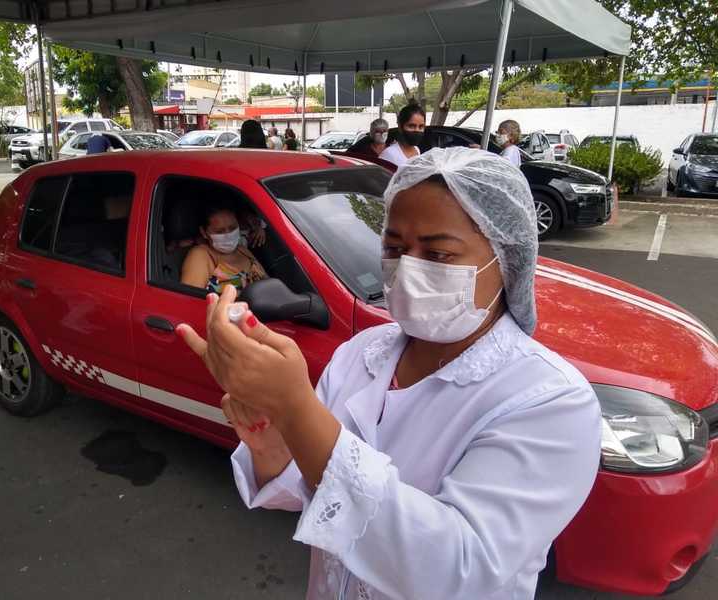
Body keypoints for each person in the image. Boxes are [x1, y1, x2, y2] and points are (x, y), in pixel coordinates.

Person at [177, 147, 601, 600]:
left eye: (438, 254)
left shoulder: (550, 401)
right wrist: (273, 444)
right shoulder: (362, 353)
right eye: (394, 248)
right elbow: (310, 493)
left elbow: (457, 568)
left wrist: (294, 407)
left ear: (507, 259)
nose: (409, 268)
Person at [180, 203, 267, 292]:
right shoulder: (200, 255)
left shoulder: (242, 250)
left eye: (232, 228)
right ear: (204, 233)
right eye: (219, 231)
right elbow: (190, 301)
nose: (228, 234)